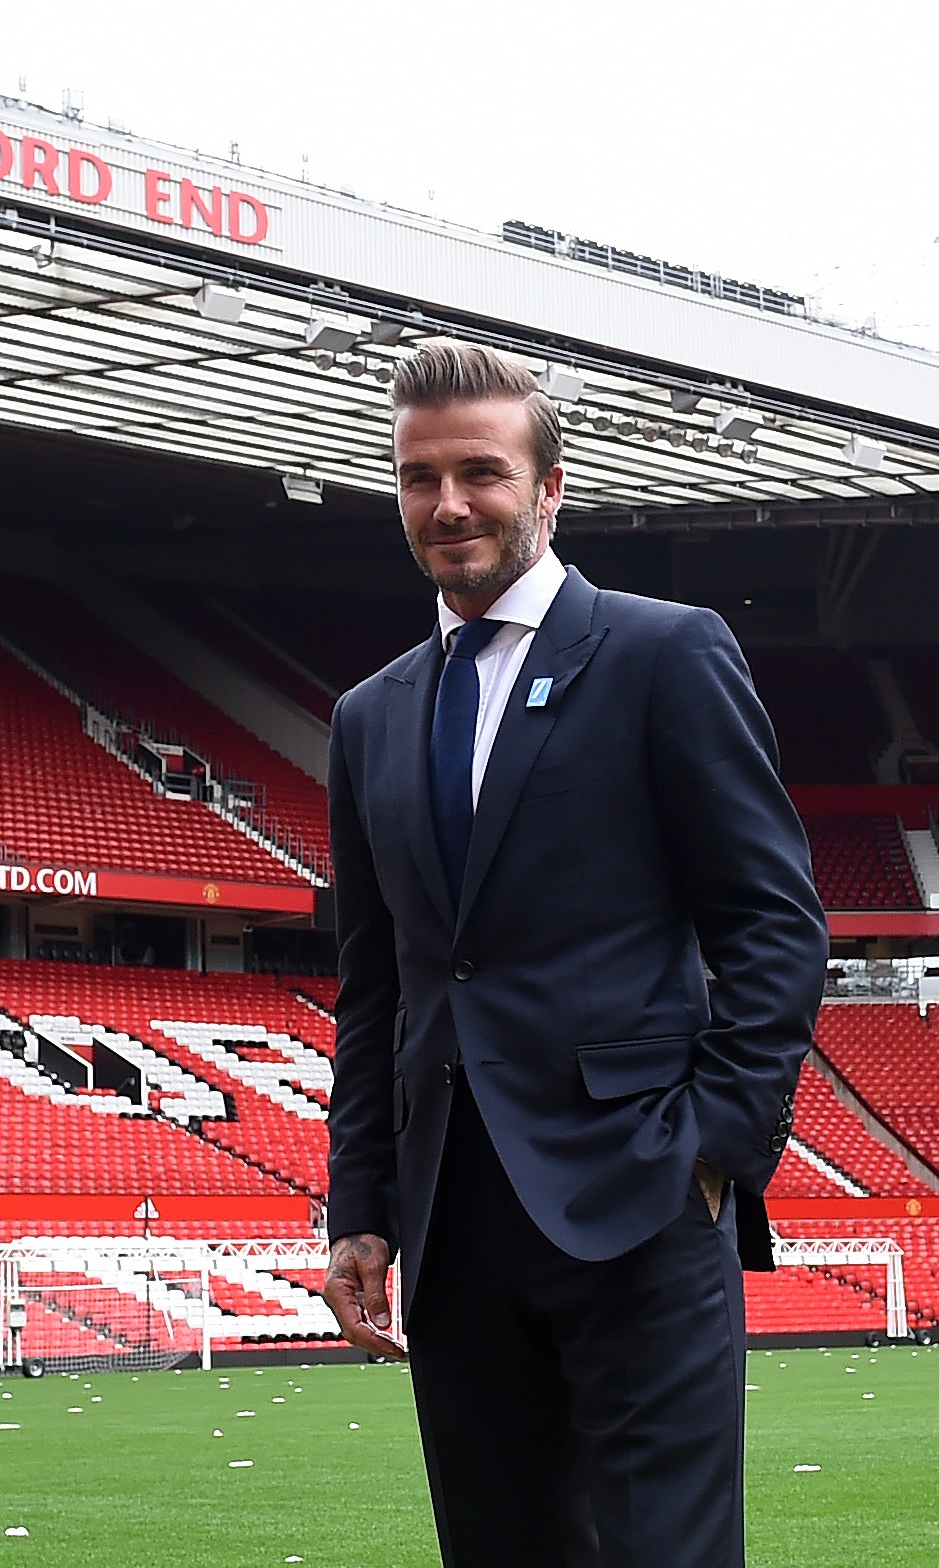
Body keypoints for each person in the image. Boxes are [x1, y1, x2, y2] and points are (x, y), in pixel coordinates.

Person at [316, 342, 828, 1567]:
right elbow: (377, 985)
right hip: (451, 1221)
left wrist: (713, 1147)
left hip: (641, 1193)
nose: (448, 504)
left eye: (481, 472)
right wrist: (363, 1204)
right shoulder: (370, 712)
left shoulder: (664, 651)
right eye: (418, 476)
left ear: (550, 487)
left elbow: (772, 918)